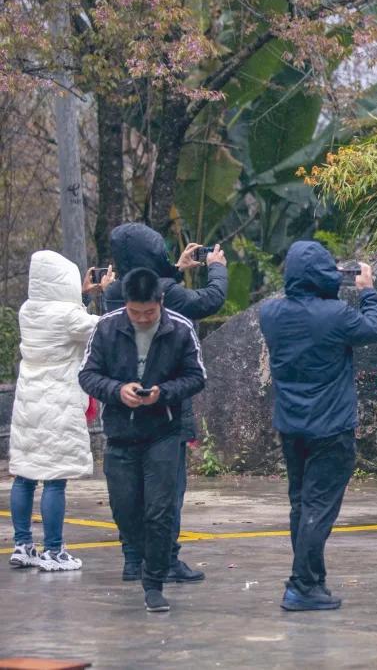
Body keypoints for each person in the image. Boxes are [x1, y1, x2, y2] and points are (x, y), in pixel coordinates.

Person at [259, 241, 377, 612]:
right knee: (318, 507)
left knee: (301, 504)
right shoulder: (336, 314)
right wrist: (368, 292)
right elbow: (373, 329)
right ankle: (300, 585)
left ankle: (311, 581)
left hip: (291, 423)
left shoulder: (270, 313)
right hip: (330, 426)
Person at [103, 222, 228, 584]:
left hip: (123, 410)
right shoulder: (165, 295)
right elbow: (209, 301)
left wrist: (175, 269)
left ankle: (132, 560)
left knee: (129, 492)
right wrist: (216, 267)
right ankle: (166, 560)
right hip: (166, 404)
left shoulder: (116, 292)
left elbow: (153, 283)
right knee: (166, 491)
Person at [78, 268, 207, 613]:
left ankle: (154, 582)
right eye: (135, 313)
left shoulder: (180, 328)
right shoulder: (107, 326)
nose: (142, 319)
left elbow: (197, 377)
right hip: (120, 433)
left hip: (163, 432)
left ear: (160, 302)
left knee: (161, 510)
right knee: (125, 510)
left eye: (149, 313)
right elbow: (87, 375)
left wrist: (162, 394)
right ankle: (138, 556)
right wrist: (117, 391)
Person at [8, 252, 114, 571]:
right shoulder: (69, 315)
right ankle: (54, 550)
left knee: (25, 474)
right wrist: (108, 292)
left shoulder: (28, 310)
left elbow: (64, 317)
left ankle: (23, 544)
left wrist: (81, 296)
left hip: (28, 401)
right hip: (59, 400)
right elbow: (102, 328)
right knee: (55, 478)